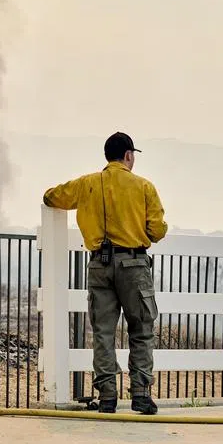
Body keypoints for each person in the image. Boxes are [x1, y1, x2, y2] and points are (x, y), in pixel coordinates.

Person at [42, 132, 168, 415]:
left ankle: (108, 396)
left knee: (103, 332)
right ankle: (140, 394)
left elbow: (51, 197)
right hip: (134, 266)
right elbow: (157, 230)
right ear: (128, 156)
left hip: (99, 265)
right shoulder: (144, 187)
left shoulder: (87, 184)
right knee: (141, 330)